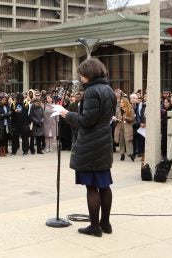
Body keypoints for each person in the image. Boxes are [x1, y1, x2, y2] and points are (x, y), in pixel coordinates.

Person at [59, 58, 116, 237]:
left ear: (88, 74)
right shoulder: (109, 90)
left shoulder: (92, 91)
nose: (81, 78)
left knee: (91, 187)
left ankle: (94, 227)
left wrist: (67, 114)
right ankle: (105, 223)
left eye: (82, 74)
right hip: (104, 141)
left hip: (91, 143)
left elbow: (86, 121)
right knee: (104, 186)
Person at [113, 97, 135, 161]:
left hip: (127, 127)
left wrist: (126, 118)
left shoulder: (130, 109)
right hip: (119, 126)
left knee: (128, 140)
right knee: (121, 141)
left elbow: (133, 119)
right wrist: (115, 119)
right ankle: (122, 154)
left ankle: (130, 154)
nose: (121, 103)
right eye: (120, 102)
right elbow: (116, 117)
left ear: (125, 102)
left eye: (122, 102)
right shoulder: (117, 109)